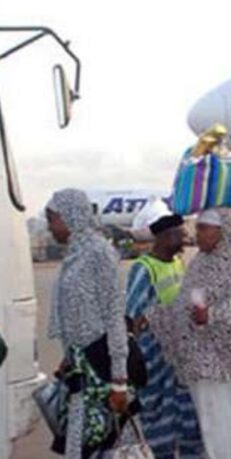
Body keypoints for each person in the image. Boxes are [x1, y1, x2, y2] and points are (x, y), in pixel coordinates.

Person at [148, 208, 231, 459]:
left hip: (228, 367)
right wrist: (156, 317)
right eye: (197, 228)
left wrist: (216, 314)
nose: (196, 234)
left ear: (223, 231)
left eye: (203, 228)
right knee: (212, 430)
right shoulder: (199, 263)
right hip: (200, 366)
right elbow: (181, 307)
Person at [46, 188, 129, 459]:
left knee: (105, 444)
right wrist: (68, 355)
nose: (49, 227)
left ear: (71, 216)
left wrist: (119, 382)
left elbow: (114, 316)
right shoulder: (74, 256)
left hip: (101, 370)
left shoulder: (99, 253)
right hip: (80, 368)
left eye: (52, 218)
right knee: (83, 445)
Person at [125, 208, 204, 459]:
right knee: (157, 422)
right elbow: (133, 318)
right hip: (155, 362)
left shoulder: (178, 263)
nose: (184, 240)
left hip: (180, 359)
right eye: (179, 235)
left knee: (188, 420)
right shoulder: (144, 268)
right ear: (164, 237)